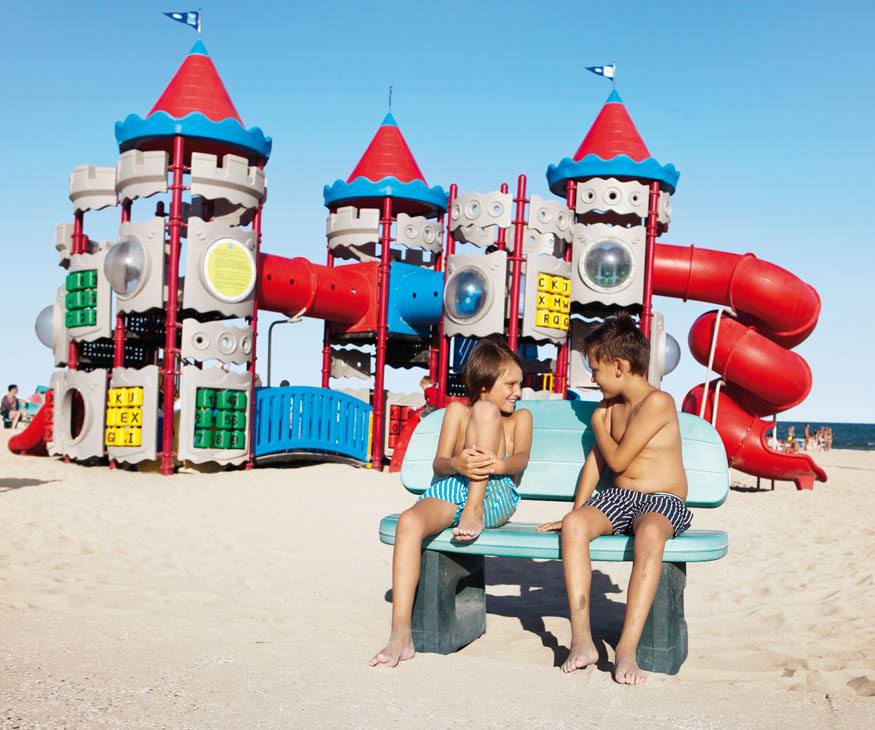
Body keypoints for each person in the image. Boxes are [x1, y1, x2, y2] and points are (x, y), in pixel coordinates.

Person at [537, 315, 693, 685]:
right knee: (574, 526)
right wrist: (576, 511)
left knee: (650, 533)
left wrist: (597, 424)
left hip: (662, 500)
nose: (593, 379)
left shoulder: (658, 403)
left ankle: (626, 649)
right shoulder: (611, 407)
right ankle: (582, 641)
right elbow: (597, 463)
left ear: (619, 367)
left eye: (595, 369)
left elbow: (618, 459)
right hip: (620, 498)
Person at [369, 337, 533, 668]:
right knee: (409, 522)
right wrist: (458, 463)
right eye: (510, 384)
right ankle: (400, 634)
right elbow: (440, 464)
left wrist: (498, 465)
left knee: (486, 412)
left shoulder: (520, 418)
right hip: (454, 487)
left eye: (519, 384)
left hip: (494, 495)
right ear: (484, 383)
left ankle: (473, 508)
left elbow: (520, 460)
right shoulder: (458, 413)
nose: (518, 392)